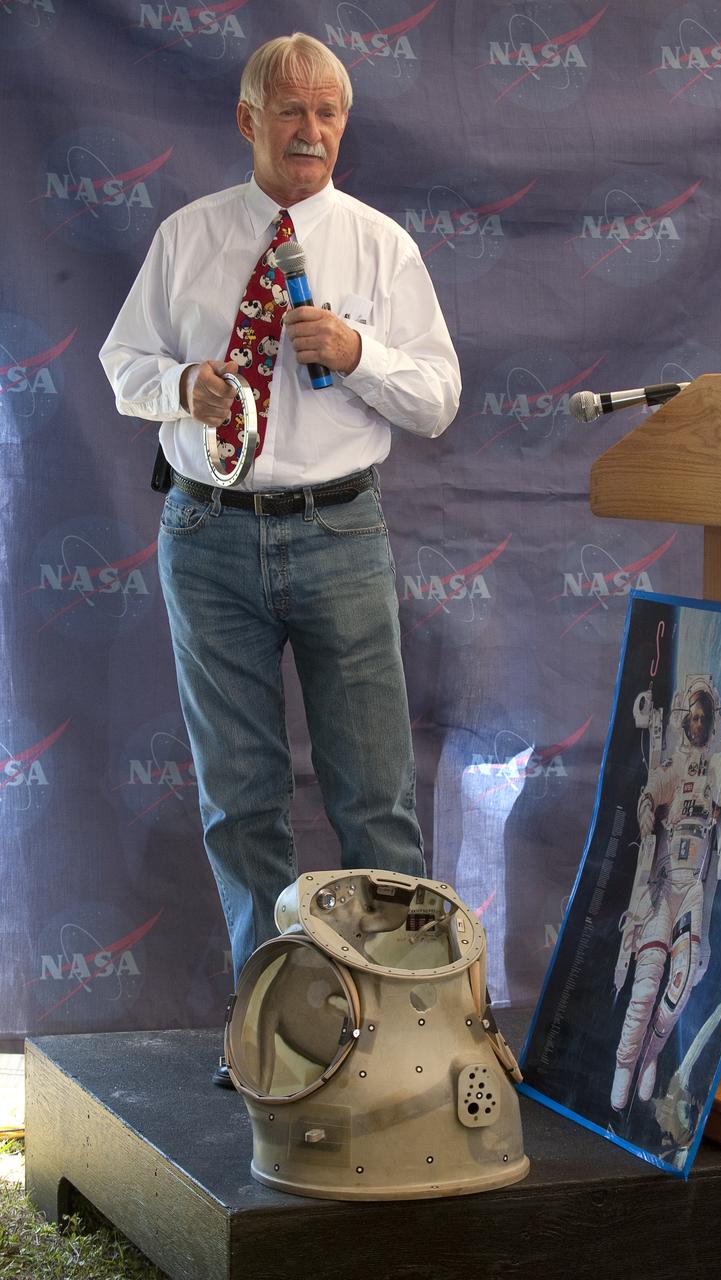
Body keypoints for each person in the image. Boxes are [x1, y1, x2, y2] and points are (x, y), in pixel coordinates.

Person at [100, 32, 461, 1078]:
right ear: (248, 121)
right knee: (241, 799)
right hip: (208, 535)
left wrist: (359, 353)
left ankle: (404, 1032)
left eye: (329, 114)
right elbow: (124, 360)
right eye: (289, 112)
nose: (311, 132)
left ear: (345, 126)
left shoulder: (380, 245)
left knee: (374, 794)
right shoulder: (188, 238)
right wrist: (182, 388)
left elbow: (437, 397)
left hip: (340, 530)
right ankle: (275, 1028)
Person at [610, 677, 721, 1112]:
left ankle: (651, 1052)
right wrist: (648, 808)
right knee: (646, 984)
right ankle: (625, 1064)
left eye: (706, 718)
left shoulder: (718, 766)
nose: (699, 723)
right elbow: (653, 790)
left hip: (691, 891)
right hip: (663, 885)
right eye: (694, 717)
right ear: (685, 721)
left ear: (711, 724)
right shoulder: (674, 767)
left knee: (681, 981)